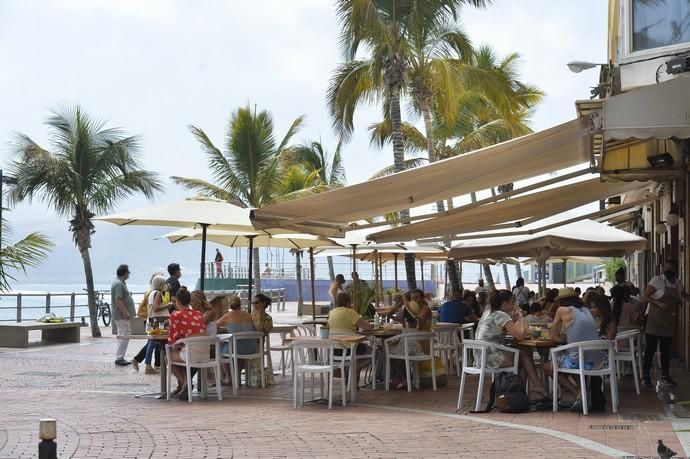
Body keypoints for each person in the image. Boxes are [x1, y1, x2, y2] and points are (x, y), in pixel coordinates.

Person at [543, 288, 601, 411]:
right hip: (597, 361)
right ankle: (581, 394)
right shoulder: (586, 310)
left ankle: (578, 395)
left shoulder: (562, 310)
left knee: (547, 367)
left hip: (580, 360)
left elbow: (553, 336)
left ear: (561, 301)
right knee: (573, 357)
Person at [642, 260, 687, 387]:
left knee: (665, 350)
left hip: (669, 321)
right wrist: (658, 303)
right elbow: (645, 296)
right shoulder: (657, 280)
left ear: (676, 270)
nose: (667, 270)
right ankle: (646, 376)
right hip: (654, 320)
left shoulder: (678, 283)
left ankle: (665, 376)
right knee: (650, 349)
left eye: (670, 268)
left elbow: (682, 295)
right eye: (666, 268)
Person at [168, 288, 207, 400]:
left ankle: (185, 383)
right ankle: (183, 385)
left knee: (169, 357)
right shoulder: (199, 314)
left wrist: (176, 346)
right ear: (189, 301)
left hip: (190, 354)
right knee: (183, 355)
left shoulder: (176, 315)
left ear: (177, 302)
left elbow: (172, 339)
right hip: (205, 354)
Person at [216, 295, 255, 386]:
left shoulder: (227, 316)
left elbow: (214, 326)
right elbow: (253, 328)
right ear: (240, 305)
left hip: (236, 348)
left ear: (230, 305)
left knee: (221, 351)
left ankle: (229, 378)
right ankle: (237, 378)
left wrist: (225, 329)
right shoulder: (248, 315)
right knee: (239, 348)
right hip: (251, 347)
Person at [142, 275, 170, 374]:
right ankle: (149, 365)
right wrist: (168, 304)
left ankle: (149, 364)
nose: (165, 285)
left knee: (152, 341)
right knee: (155, 341)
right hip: (159, 321)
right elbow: (156, 307)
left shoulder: (151, 293)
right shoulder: (158, 293)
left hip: (151, 320)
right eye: (163, 283)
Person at [111, 264, 135, 366]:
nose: (129, 273)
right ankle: (120, 357)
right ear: (125, 273)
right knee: (125, 334)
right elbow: (118, 299)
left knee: (122, 335)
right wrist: (125, 312)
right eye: (128, 272)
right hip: (121, 315)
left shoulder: (120, 283)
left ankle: (119, 356)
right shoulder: (118, 284)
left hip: (120, 314)